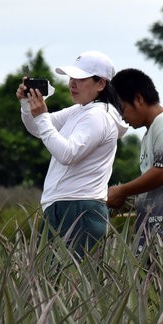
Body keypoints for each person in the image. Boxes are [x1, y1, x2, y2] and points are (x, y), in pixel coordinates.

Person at [18, 50, 127, 256]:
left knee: (72, 282)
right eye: (71, 78)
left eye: (80, 78)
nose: (72, 83)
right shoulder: (80, 110)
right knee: (53, 284)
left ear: (101, 84)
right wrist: (27, 105)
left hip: (80, 209)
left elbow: (68, 154)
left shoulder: (98, 115)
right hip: (66, 205)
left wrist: (41, 115)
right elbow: (38, 128)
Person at [106, 68, 163, 250]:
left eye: (122, 109)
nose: (123, 118)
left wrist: (122, 191)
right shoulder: (151, 132)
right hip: (156, 232)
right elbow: (158, 187)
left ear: (139, 99)